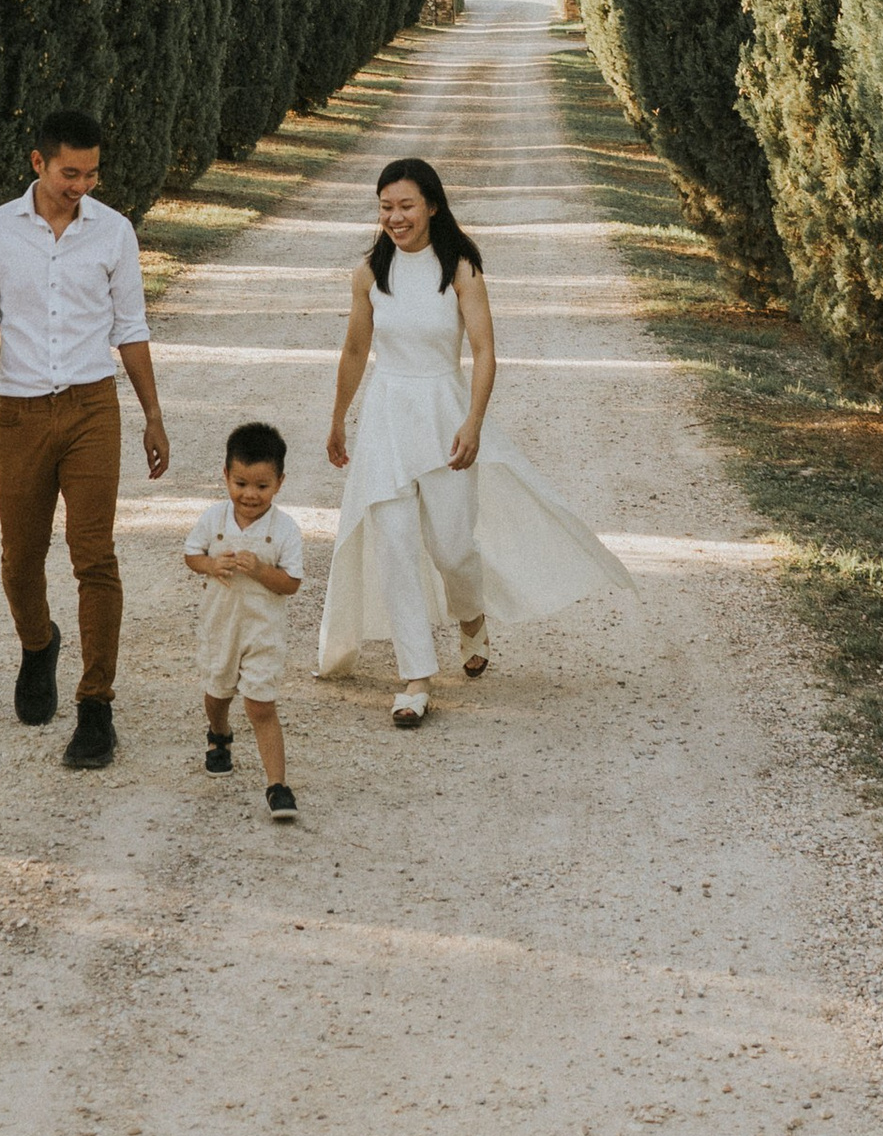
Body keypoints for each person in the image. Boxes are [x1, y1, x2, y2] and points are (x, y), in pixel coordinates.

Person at [320, 152, 631, 727]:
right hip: (387, 416)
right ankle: (415, 677)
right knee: (393, 546)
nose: (395, 217)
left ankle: (470, 615)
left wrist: (474, 422)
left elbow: (485, 351)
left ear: (432, 205)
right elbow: (355, 351)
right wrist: (339, 418)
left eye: (406, 205)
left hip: (444, 411)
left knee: (452, 546)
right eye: (386, 207)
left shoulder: (459, 267)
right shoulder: (368, 273)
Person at [0, 109, 171, 771]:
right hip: (21, 411)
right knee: (20, 559)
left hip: (90, 408)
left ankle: (95, 707)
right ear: (39, 163)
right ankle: (38, 644)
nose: (81, 184)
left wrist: (153, 414)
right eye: (69, 172)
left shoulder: (113, 233)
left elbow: (130, 326)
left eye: (91, 172)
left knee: (94, 556)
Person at [183, 419, 304, 822]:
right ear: (226, 476)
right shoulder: (214, 520)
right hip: (221, 624)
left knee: (260, 705)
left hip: (263, 630)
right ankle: (219, 733)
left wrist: (260, 572)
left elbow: (291, 583)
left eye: (262, 486)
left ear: (279, 483)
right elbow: (191, 554)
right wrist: (210, 565)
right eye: (240, 483)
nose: (249, 495)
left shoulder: (285, 530)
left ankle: (277, 785)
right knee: (218, 693)